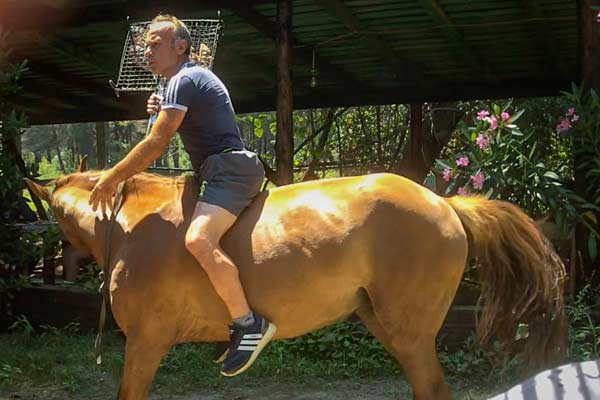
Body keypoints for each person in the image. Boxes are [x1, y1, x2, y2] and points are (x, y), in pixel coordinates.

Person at [89, 14, 276, 377]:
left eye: (156, 43)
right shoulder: (178, 83)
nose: (147, 50)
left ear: (180, 47)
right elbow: (159, 133)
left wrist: (112, 177)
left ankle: (248, 323)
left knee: (199, 240)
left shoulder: (185, 79)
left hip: (228, 170)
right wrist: (160, 112)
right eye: (145, 44)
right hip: (214, 171)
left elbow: (156, 144)